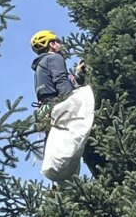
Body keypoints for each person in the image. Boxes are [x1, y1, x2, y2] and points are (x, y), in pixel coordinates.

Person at [30, 29, 94, 182]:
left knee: (60, 149)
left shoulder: (40, 66)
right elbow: (60, 81)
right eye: (57, 42)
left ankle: (62, 184)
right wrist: (72, 98)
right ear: (51, 45)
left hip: (46, 111)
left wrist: (78, 76)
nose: (60, 45)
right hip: (57, 105)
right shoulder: (54, 58)